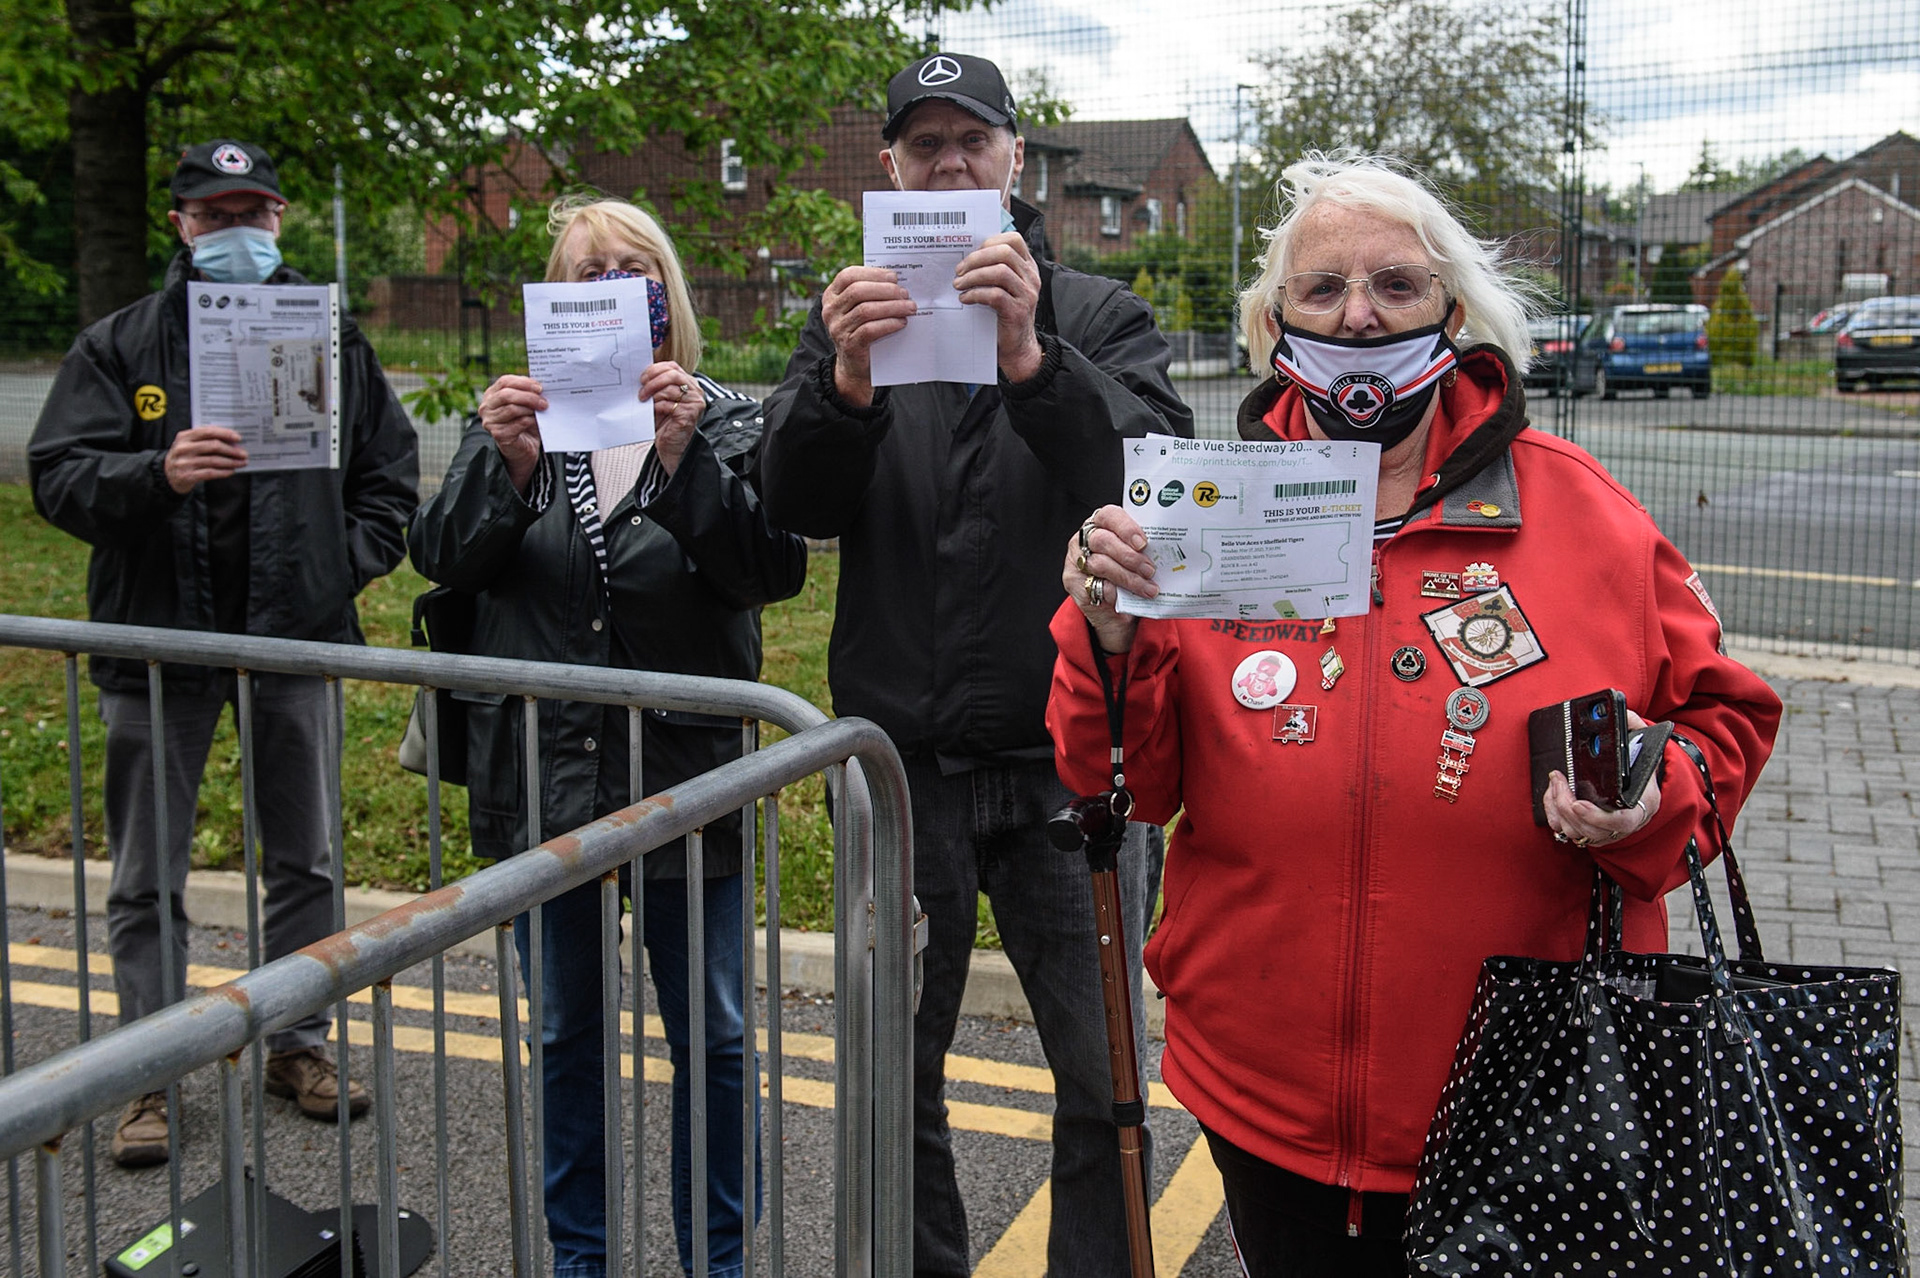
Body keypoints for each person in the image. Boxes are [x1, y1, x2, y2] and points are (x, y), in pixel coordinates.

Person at [1050, 153, 1782, 1277]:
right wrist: (1106, 640)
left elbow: (1722, 722)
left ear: (1454, 312)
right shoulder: (1205, 515)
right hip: (1265, 1093)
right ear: (1275, 319)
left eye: (1395, 286)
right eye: (1322, 288)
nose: (1358, 315)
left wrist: (1645, 800)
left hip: (1530, 1092)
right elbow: (1135, 783)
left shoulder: (1588, 512)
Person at [757, 51, 1194, 1277]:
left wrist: (1032, 360)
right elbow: (791, 502)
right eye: (923, 144)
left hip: (1069, 770)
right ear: (890, 167)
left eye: (972, 141)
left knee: (1102, 1076)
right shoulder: (855, 314)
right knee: (898, 1072)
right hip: (907, 770)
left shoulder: (1095, 311)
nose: (949, 162)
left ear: (1014, 162)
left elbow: (1158, 490)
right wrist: (842, 385)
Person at [409, 194, 805, 1278]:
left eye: (632, 268)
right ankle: (578, 1260)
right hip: (548, 778)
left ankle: (715, 1260)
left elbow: (771, 570)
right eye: (584, 273)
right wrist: (505, 464)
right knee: (568, 1035)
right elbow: (439, 554)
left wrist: (686, 464)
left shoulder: (727, 417)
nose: (609, 288)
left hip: (686, 778)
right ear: (553, 297)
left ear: (664, 293)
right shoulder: (517, 422)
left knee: (716, 1038)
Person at [28, 138, 417, 1168]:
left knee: (305, 858)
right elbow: (59, 478)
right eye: (215, 215)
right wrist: (156, 474)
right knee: (144, 873)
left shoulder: (329, 334)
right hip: (157, 648)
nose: (236, 232)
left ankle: (300, 1041)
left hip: (293, 639)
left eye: (255, 214)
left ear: (281, 219)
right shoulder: (120, 344)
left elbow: (390, 477)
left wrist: (339, 571)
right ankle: (146, 1073)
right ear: (179, 224)